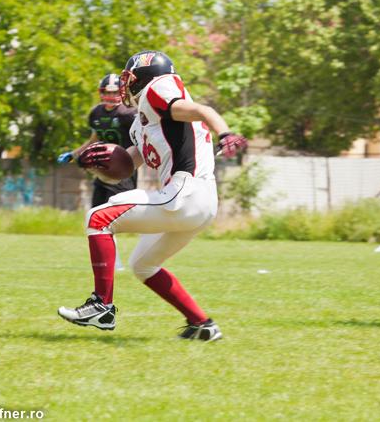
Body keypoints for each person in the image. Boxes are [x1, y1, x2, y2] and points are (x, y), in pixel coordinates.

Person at [57, 50, 247, 341]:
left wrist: (226, 134)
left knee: (98, 218)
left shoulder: (158, 89)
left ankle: (101, 306)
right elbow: (128, 164)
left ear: (144, 77)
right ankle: (202, 325)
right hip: (198, 204)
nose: (125, 85)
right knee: (142, 264)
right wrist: (95, 165)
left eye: (129, 78)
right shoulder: (143, 120)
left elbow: (202, 110)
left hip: (185, 193)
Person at [57, 74, 137, 270]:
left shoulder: (129, 114)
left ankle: (120, 260)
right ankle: (109, 262)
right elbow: (94, 138)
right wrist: (75, 154)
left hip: (123, 171)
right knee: (96, 216)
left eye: (114, 92)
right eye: (107, 92)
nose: (110, 96)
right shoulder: (97, 113)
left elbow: (140, 139)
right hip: (101, 171)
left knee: (114, 219)